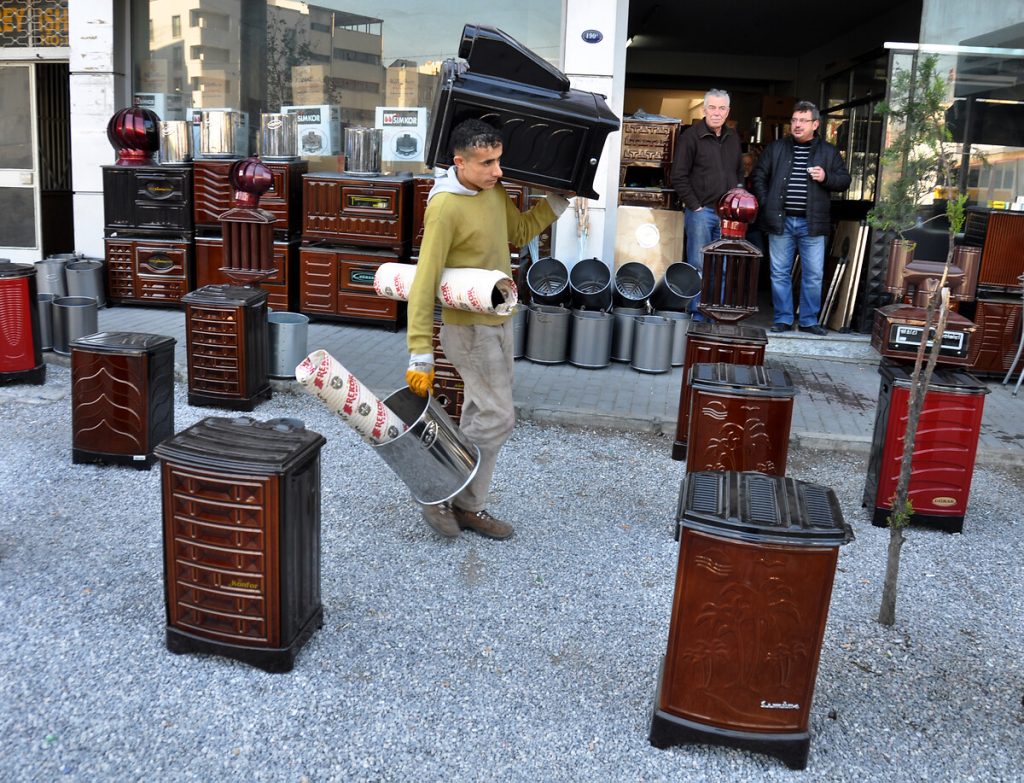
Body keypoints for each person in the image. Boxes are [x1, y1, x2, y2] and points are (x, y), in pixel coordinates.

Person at [405, 118, 568, 540]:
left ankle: (461, 501)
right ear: (459, 162)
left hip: (499, 318)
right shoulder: (444, 207)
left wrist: (557, 201)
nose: (498, 171)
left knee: (481, 413)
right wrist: (420, 349)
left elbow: (519, 231)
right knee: (499, 417)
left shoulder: (492, 192)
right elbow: (426, 278)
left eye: (499, 160)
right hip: (468, 329)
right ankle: (447, 495)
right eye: (487, 163)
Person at [751, 100, 851, 334]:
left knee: (814, 274)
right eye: (794, 120)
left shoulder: (828, 151)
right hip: (780, 221)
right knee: (779, 272)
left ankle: (808, 320)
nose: (797, 125)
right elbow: (758, 176)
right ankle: (784, 318)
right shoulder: (776, 148)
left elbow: (845, 181)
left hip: (812, 223)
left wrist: (826, 177)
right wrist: (767, 204)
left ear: (815, 124)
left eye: (803, 121)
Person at [670, 88, 744, 318]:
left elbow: (740, 173)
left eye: (722, 108)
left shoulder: (733, 138)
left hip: (727, 215)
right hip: (701, 213)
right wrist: (695, 206)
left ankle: (716, 312)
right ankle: (697, 313)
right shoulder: (691, 136)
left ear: (728, 111)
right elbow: (678, 175)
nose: (716, 112)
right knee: (699, 265)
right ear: (704, 109)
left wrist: (736, 201)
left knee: (722, 266)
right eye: (712, 107)